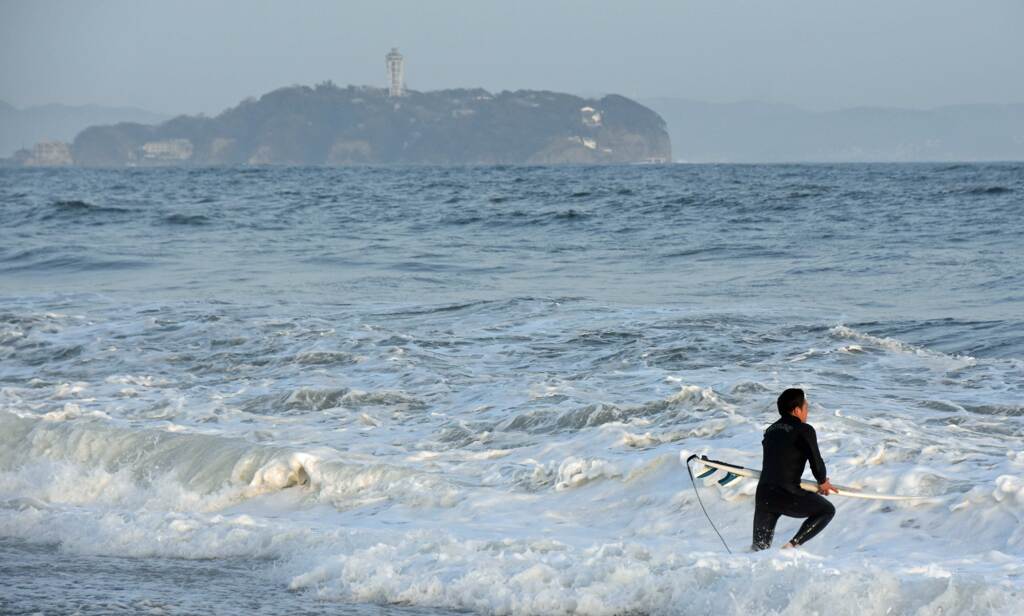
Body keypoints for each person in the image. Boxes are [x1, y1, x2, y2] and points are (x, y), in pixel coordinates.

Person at [752, 388, 837, 550]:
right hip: (787, 493)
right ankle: (791, 546)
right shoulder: (804, 430)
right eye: (806, 408)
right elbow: (815, 460)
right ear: (797, 410)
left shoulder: (770, 431)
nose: (807, 412)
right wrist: (822, 481)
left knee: (759, 549)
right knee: (827, 510)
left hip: (764, 494)